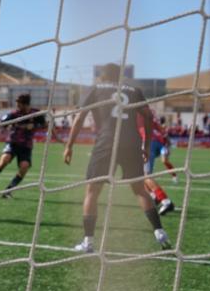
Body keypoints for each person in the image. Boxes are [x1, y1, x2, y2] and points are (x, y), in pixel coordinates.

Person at [62, 63, 171, 254]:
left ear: (103, 76)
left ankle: (88, 242)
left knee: (92, 191)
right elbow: (148, 116)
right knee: (139, 190)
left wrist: (69, 145)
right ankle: (160, 232)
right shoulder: (134, 90)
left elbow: (80, 118)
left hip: (107, 143)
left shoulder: (95, 89)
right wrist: (145, 145)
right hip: (131, 143)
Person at [0, 94, 48, 199]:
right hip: (12, 143)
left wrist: (35, 126)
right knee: (4, 160)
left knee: (24, 167)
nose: (17, 105)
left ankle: (8, 190)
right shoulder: (14, 114)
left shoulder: (36, 114)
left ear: (25, 104)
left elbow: (46, 125)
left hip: (26, 146)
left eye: (19, 103)